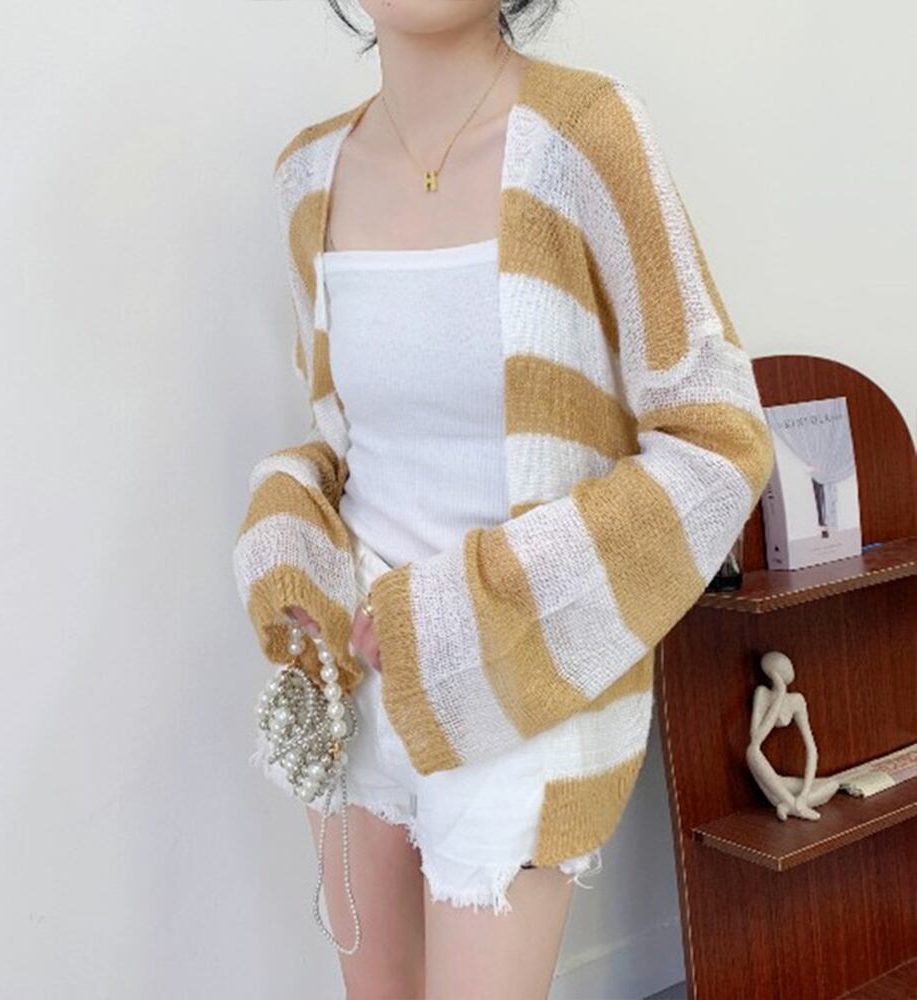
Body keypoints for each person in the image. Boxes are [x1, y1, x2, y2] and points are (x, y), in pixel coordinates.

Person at [237, 0, 775, 996]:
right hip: (354, 680)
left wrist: (464, 610)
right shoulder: (305, 177)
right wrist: (284, 532)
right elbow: (350, 447)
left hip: (521, 681)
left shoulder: (585, 135)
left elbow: (719, 444)